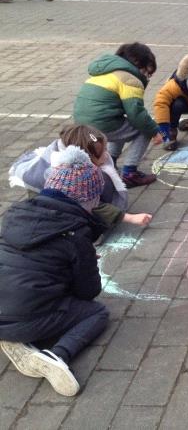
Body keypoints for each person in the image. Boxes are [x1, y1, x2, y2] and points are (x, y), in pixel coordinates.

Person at [0, 146, 109, 396]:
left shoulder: (16, 213)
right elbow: (88, 292)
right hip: (26, 315)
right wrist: (84, 261)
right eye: (94, 202)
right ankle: (56, 355)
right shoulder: (76, 232)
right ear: (86, 200)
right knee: (97, 313)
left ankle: (17, 337)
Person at [9, 124, 152, 228]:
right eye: (102, 153)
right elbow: (94, 206)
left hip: (53, 210)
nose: (106, 156)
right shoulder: (68, 178)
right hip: (55, 219)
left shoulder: (69, 158)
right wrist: (129, 218)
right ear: (84, 157)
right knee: (103, 181)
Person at [73, 42, 163, 188]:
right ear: (138, 64)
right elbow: (136, 114)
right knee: (143, 129)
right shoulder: (129, 79)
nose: (147, 77)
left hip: (82, 123)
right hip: (101, 123)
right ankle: (129, 174)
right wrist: (154, 131)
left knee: (121, 124)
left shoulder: (105, 71)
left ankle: (111, 164)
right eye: (147, 72)